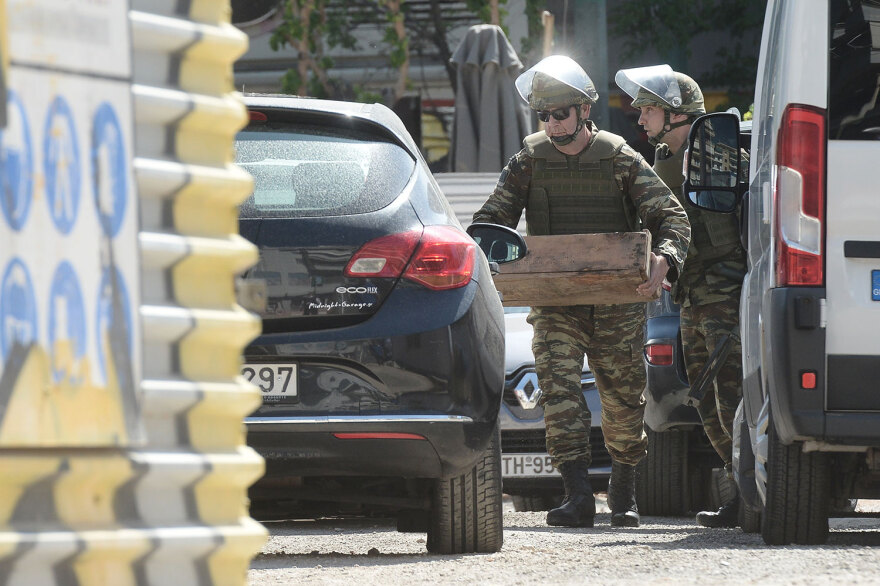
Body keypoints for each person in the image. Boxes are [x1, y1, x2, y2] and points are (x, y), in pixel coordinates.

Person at [473, 55, 691, 528]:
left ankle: (623, 493)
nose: (551, 124)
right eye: (544, 115)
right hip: (555, 301)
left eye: (560, 114)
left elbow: (672, 218)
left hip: (617, 302)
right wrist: (484, 255)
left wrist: (666, 258)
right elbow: (490, 224)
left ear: (583, 111)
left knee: (622, 399)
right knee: (559, 390)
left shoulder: (619, 159)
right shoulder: (528, 162)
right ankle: (576, 494)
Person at [616, 64, 747, 528]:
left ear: (674, 114)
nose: (640, 118)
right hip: (696, 296)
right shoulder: (677, 160)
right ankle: (742, 490)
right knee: (708, 398)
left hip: (721, 295)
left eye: (648, 110)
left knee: (727, 395)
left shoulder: (700, 160)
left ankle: (750, 495)